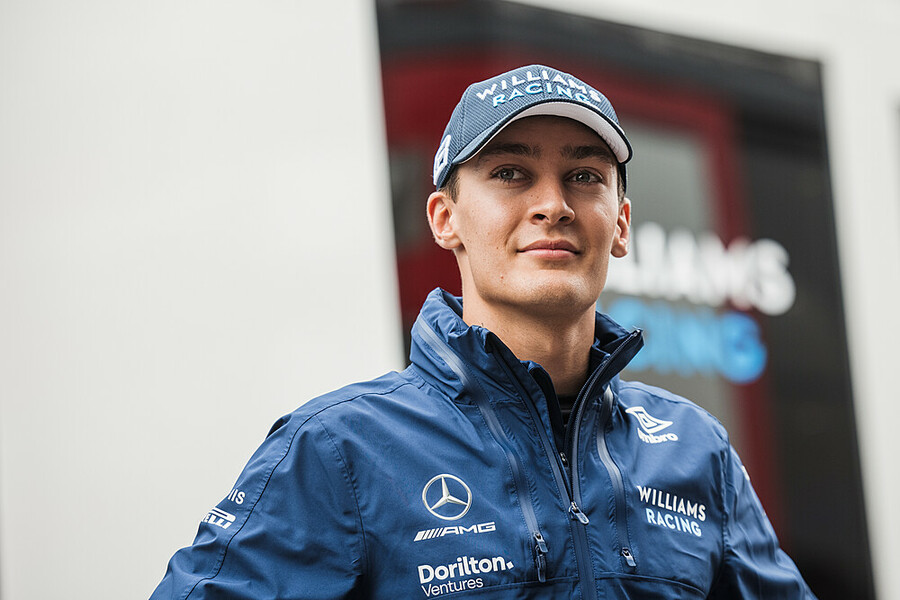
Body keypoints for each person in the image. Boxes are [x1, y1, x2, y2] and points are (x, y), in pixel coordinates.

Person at [150, 64, 816, 599]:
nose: (553, 204)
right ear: (445, 219)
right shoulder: (337, 451)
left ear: (619, 223)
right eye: (511, 173)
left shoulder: (697, 450)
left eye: (584, 176)